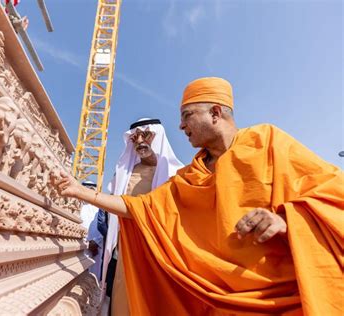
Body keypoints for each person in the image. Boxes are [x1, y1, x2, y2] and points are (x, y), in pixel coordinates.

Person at [54, 77, 343, 315]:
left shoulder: (267, 141)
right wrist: (81, 192)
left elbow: (333, 194)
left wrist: (286, 220)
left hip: (282, 297)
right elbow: (139, 208)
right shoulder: (190, 175)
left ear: (216, 113)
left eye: (187, 115)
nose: (181, 125)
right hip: (213, 299)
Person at [103, 118, 183, 315]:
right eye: (135, 137)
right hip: (128, 248)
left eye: (145, 135)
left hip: (163, 250)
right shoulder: (125, 174)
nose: (139, 141)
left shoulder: (178, 174)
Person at [79, 181, 104, 281]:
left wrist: (96, 242)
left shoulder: (99, 207)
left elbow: (103, 225)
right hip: (80, 244)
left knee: (93, 275)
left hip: (95, 246)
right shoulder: (79, 206)